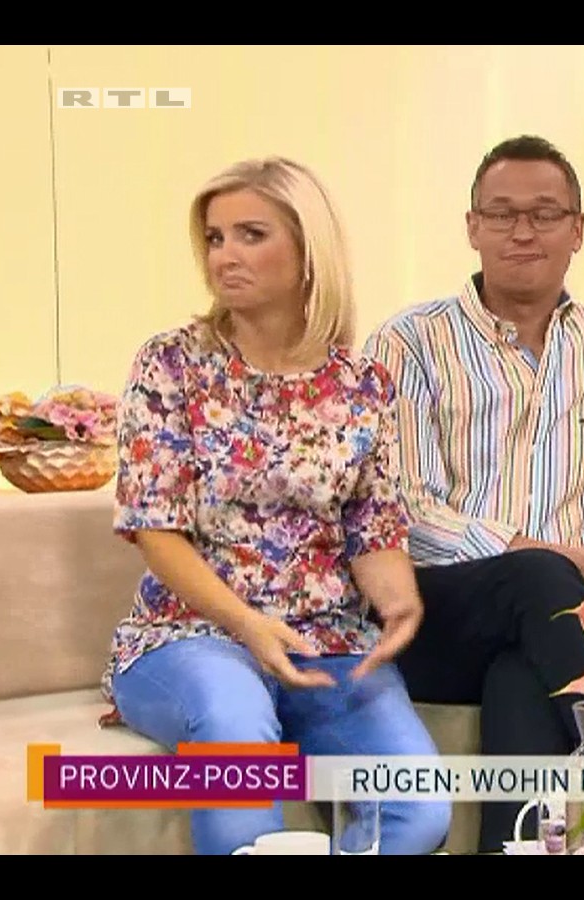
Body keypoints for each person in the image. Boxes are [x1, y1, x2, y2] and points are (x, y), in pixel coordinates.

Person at [363, 134, 584, 853]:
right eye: (501, 214)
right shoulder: (409, 342)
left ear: (577, 230)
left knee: (522, 676)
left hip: (563, 627)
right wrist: (579, 562)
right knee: (535, 579)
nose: (522, 231)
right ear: (472, 227)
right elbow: (404, 507)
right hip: (435, 614)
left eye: (545, 214)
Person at [100, 156, 452, 856]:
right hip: (191, 635)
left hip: (325, 643)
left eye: (251, 235)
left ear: (308, 250)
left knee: (418, 807)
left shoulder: (363, 383)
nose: (224, 256)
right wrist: (248, 625)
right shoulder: (171, 363)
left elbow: (371, 522)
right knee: (236, 729)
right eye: (214, 238)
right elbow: (155, 530)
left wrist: (400, 601)